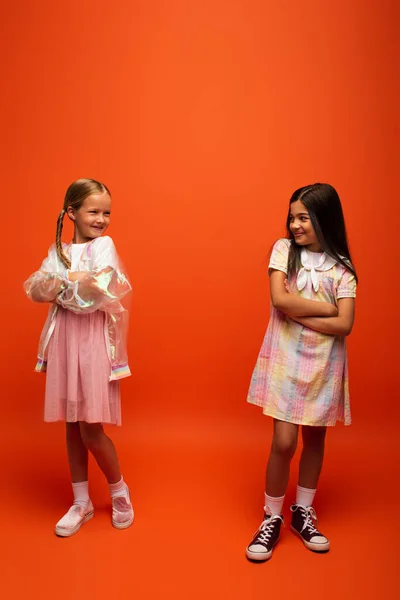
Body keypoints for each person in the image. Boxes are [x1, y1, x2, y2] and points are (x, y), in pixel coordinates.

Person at [245, 183, 357, 561]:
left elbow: (346, 326)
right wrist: (327, 309)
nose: (294, 224)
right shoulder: (283, 251)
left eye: (303, 218)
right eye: (291, 216)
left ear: (323, 219)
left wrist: (300, 312)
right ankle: (271, 515)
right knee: (283, 442)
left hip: (324, 363)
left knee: (315, 441)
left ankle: (302, 512)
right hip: (285, 359)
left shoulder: (342, 267)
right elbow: (279, 300)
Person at [24, 178, 134, 537]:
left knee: (91, 427)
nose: (102, 219)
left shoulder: (105, 245)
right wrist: (69, 282)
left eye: (107, 213)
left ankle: (119, 490)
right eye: (94, 211)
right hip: (65, 341)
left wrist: (62, 284)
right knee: (72, 424)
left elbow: (95, 295)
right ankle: (81, 500)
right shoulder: (58, 250)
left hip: (92, 342)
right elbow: (36, 286)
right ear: (71, 212)